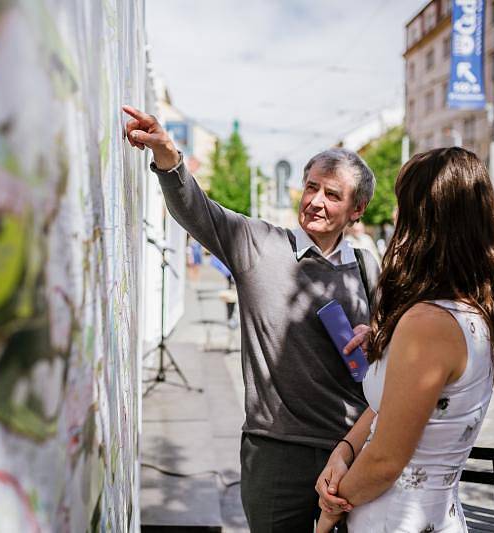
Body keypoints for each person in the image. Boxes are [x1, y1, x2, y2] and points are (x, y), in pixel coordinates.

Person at [122, 105, 379, 530]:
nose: (315, 201)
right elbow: (195, 210)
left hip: (351, 448)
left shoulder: (368, 268)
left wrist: (379, 336)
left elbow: (400, 352)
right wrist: (168, 155)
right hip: (275, 453)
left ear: (357, 210)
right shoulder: (258, 244)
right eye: (311, 187)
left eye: (332, 195)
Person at [315, 148, 494, 532]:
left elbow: (385, 462)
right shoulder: (472, 308)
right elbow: (397, 408)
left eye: (403, 207)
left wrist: (330, 508)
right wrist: (344, 449)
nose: (395, 219)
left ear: (425, 221)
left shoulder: (429, 323)